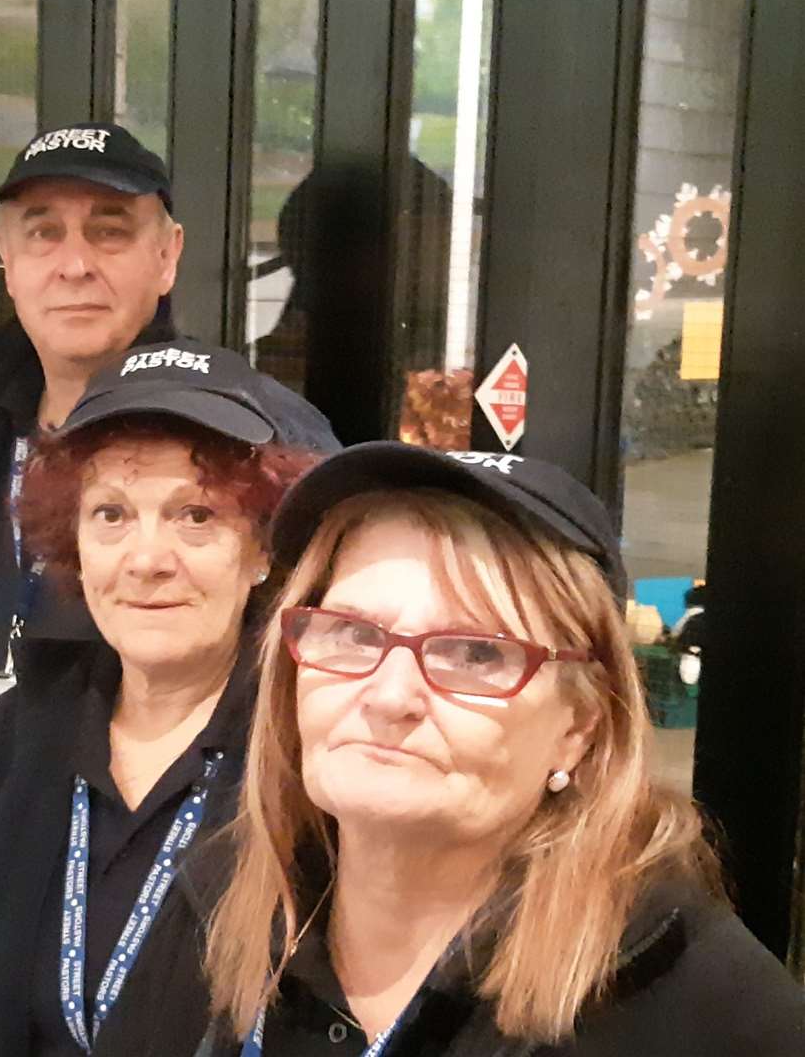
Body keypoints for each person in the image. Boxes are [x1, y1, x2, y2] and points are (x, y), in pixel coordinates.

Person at [203, 443, 805, 1055]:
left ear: (580, 727)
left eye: (475, 653)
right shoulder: (233, 915)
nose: (389, 696)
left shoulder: (703, 1011)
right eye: (355, 634)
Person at [0, 340, 339, 1057]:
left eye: (196, 516)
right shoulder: (14, 739)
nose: (146, 559)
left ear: (263, 549)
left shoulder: (315, 757)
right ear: (74, 547)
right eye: (111, 515)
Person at [0, 122, 187, 770]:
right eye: (42, 232)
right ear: (4, 259)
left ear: (166, 255)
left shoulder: (232, 438)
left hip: (121, 838)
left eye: (109, 229)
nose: (73, 264)